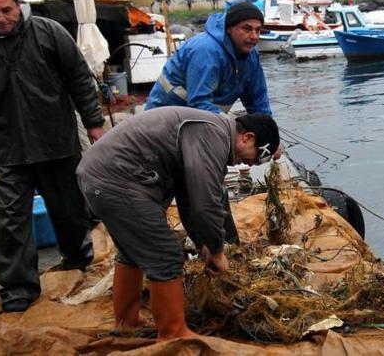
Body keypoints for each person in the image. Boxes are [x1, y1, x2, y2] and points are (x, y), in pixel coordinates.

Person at [76, 107, 280, 341]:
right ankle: (173, 334)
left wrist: (203, 245)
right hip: (116, 180)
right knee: (166, 256)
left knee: (133, 253)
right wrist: (216, 249)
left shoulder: (210, 132)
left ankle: (126, 323)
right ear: (248, 137)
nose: (248, 164)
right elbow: (205, 203)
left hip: (100, 176)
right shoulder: (212, 135)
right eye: (254, 158)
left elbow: (189, 199)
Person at [0, 0, 104, 312]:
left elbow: (79, 78)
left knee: (70, 210)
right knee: (8, 222)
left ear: (18, 5)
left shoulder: (48, 32)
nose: (1, 17)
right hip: (6, 149)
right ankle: (18, 288)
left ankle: (77, 258)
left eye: (6, 10)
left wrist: (94, 124)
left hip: (56, 142)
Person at [145, 1, 272, 116]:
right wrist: (231, 126)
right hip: (164, 115)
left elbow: (258, 101)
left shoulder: (251, 56)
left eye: (258, 30)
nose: (254, 36)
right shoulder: (206, 50)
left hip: (203, 115)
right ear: (229, 28)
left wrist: (267, 129)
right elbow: (199, 103)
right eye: (247, 28)